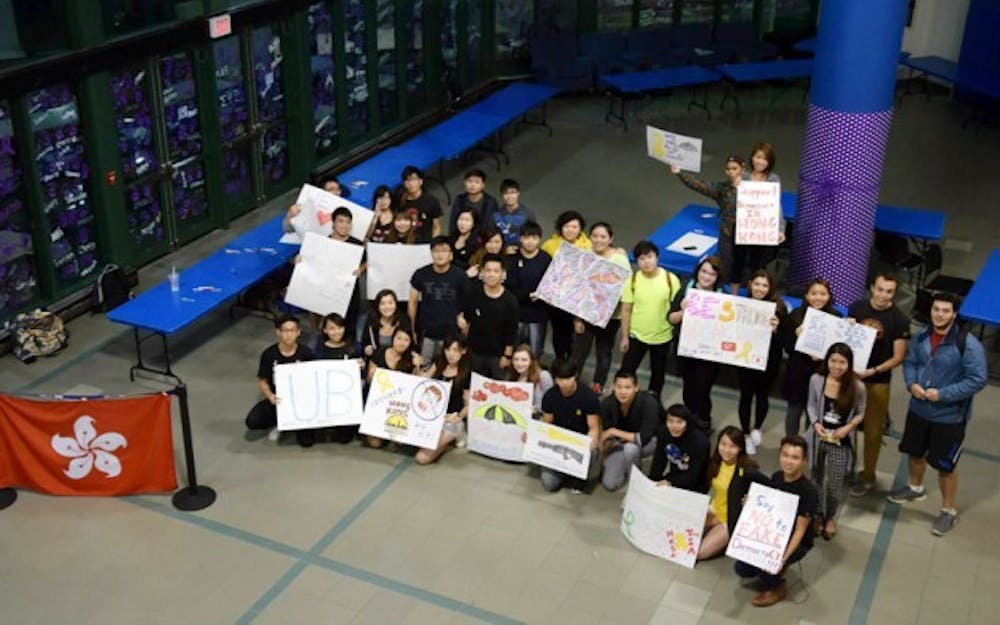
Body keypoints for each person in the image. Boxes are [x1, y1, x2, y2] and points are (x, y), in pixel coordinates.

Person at [888, 292, 987, 536]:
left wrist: (943, 394)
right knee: (914, 452)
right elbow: (910, 362)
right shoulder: (922, 335)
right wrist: (912, 384)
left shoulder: (968, 344)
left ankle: (948, 511)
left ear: (954, 314)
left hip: (949, 418)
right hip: (919, 410)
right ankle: (915, 487)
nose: (939, 314)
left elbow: (977, 379)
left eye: (945, 311)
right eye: (935, 309)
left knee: (946, 467)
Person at [734, 435, 818, 607]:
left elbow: (800, 531)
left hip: (797, 541)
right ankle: (771, 571)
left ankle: (778, 586)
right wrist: (751, 504)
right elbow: (770, 507)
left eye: (795, 457)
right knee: (741, 568)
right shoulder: (777, 477)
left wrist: (782, 558)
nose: (788, 461)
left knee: (767, 567)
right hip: (774, 533)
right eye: (785, 455)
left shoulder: (808, 491)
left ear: (804, 461)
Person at [847, 274, 911, 497]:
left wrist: (873, 371)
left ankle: (868, 476)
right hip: (851, 378)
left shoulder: (899, 319)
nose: (884, 296)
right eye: (880, 289)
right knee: (847, 426)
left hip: (878, 383)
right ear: (872, 288)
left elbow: (898, 356)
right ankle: (846, 468)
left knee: (873, 432)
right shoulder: (856, 308)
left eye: (889, 291)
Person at [807, 343, 866, 540]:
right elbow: (811, 405)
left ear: (849, 364)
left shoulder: (858, 387)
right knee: (816, 477)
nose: (837, 366)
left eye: (842, 362)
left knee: (834, 481)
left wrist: (848, 428)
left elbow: (860, 414)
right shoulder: (817, 380)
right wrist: (815, 423)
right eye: (833, 361)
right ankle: (816, 513)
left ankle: (830, 516)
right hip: (819, 437)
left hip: (841, 442)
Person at [571, 222, 631, 394]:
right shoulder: (585, 256)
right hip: (586, 313)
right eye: (595, 236)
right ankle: (572, 381)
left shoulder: (620, 259)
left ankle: (598, 384)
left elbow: (625, 288)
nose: (598, 240)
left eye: (603, 237)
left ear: (610, 238)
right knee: (579, 351)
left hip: (610, 317)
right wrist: (578, 317)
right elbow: (577, 288)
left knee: (603, 352)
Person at [619, 240, 682, 399]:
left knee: (658, 374)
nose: (646, 262)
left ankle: (653, 404)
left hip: (662, 336)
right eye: (641, 258)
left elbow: (677, 308)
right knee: (626, 371)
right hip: (636, 335)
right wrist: (625, 336)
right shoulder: (632, 281)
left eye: (649, 257)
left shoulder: (670, 279)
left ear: (657, 258)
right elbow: (626, 310)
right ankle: (624, 399)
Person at [668, 256, 726, 430]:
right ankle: (690, 420)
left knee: (702, 389)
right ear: (698, 271)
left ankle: (704, 421)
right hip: (686, 349)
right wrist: (683, 311)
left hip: (709, 353)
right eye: (704, 271)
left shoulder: (723, 295)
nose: (707, 277)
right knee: (688, 387)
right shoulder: (686, 289)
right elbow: (671, 318)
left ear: (718, 277)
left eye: (712, 274)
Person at [735, 270, 786, 455]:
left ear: (770, 287)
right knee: (746, 396)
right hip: (745, 358)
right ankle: (746, 434)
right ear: (750, 284)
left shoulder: (779, 307)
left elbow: (785, 340)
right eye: (757, 284)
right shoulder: (741, 305)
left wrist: (776, 330)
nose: (760, 289)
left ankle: (757, 427)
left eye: (764, 285)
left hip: (769, 360)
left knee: (763, 395)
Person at [245, 315, 314, 446]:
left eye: (292, 330)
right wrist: (270, 396)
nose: (289, 335)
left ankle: (295, 424)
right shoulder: (269, 354)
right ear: (278, 332)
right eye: (285, 331)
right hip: (278, 399)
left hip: (301, 400)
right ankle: (278, 423)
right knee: (253, 421)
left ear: (298, 332)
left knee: (307, 442)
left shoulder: (307, 353)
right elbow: (262, 380)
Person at [783, 278, 840, 436]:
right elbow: (787, 348)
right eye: (814, 293)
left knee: (814, 415)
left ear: (829, 296)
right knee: (794, 412)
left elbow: (839, 350)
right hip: (797, 373)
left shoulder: (836, 318)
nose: (818, 297)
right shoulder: (795, 316)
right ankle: (791, 444)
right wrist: (796, 336)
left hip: (822, 373)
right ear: (807, 296)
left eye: (823, 293)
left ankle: (808, 447)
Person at [698, 426, 765, 560]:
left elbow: (769, 488)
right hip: (714, 509)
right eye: (723, 444)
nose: (726, 450)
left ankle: (729, 539)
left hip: (731, 519)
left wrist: (753, 500)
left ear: (740, 448)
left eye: (732, 446)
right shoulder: (715, 463)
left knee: (699, 553)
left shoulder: (747, 470)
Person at [538, 358, 602, 494]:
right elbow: (547, 423)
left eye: (568, 378)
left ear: (576, 376)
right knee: (549, 484)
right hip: (558, 442)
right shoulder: (550, 396)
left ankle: (576, 475)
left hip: (579, 442)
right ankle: (562, 471)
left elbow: (594, 427)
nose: (563, 383)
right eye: (559, 379)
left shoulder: (589, 397)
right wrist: (535, 434)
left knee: (578, 483)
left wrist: (591, 441)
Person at [458, 253, 519, 379]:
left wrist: (507, 356)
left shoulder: (510, 300)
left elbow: (512, 331)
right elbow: (466, 318)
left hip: (498, 356)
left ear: (502, 273)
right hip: (474, 352)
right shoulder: (474, 292)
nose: (491, 274)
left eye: (496, 271)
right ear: (482, 272)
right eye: (488, 270)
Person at [599, 370, 661, 491]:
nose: (623, 392)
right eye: (619, 387)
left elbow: (644, 438)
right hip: (620, 443)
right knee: (609, 484)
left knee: (631, 449)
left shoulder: (649, 402)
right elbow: (606, 435)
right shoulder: (607, 403)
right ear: (613, 387)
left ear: (636, 388)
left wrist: (613, 432)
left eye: (628, 387)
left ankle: (636, 479)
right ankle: (625, 468)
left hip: (650, 442)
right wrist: (604, 458)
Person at [542, 211, 592, 359]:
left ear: (580, 228)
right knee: (558, 333)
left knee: (575, 336)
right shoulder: (550, 245)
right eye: (567, 226)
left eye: (574, 226)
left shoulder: (588, 246)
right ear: (560, 227)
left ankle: (571, 367)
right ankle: (559, 360)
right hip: (555, 300)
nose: (570, 230)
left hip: (577, 300)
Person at [408, 236, 467, 362]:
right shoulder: (421, 274)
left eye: (444, 251)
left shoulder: (460, 275)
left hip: (451, 333)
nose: (440, 254)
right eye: (436, 250)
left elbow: (469, 301)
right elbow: (412, 302)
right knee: (424, 365)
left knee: (445, 366)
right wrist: (412, 328)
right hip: (427, 331)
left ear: (451, 254)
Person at [416, 334, 471, 464]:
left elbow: (468, 405)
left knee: (422, 457)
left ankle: (458, 433)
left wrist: (458, 417)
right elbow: (423, 381)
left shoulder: (466, 373)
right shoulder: (439, 364)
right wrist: (417, 367)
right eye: (448, 349)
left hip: (451, 419)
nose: (450, 354)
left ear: (463, 351)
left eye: (455, 350)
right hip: (432, 416)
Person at [365, 326, 423, 448]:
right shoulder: (379, 353)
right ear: (393, 339)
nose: (402, 342)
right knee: (374, 443)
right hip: (379, 402)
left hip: (398, 406)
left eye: (406, 340)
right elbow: (369, 381)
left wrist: (417, 367)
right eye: (399, 338)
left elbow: (415, 387)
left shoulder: (410, 360)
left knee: (400, 442)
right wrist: (371, 374)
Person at [505, 221, 552, 358]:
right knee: (514, 352)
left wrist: (543, 294)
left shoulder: (546, 259)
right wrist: (527, 295)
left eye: (534, 238)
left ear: (539, 239)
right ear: (520, 239)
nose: (530, 242)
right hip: (516, 313)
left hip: (538, 314)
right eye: (527, 238)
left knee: (535, 353)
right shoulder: (512, 259)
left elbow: (552, 283)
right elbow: (509, 286)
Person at [317, 313, 363, 444]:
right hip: (327, 394)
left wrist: (362, 366)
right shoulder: (319, 348)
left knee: (344, 438)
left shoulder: (354, 347)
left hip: (347, 395)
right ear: (325, 330)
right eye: (331, 328)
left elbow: (361, 373)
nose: (336, 332)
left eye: (339, 327)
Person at [648, 404, 710, 492]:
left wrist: (671, 483)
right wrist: (652, 482)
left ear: (687, 423)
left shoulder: (700, 442)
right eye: (670, 421)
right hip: (675, 476)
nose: (674, 426)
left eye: (679, 422)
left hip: (696, 483)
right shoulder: (664, 433)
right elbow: (658, 461)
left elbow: (694, 473)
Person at [396, 165, 441, 242]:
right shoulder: (401, 199)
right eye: (407, 180)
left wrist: (432, 243)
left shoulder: (431, 201)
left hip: (424, 243)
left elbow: (437, 227)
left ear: (420, 181)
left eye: (413, 179)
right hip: (406, 242)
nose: (411, 183)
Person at [507, 344, 553, 417]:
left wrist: (533, 409)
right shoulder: (513, 376)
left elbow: (551, 402)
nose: (519, 363)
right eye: (516, 359)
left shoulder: (543, 376)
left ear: (531, 361)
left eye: (524, 360)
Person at [490, 178, 536, 254]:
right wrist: (504, 249)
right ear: (502, 195)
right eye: (506, 193)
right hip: (501, 252)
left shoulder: (528, 213)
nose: (509, 196)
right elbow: (492, 237)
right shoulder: (496, 215)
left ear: (518, 193)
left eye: (513, 192)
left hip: (523, 252)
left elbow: (534, 235)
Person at [362, 289, 412, 358]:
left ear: (396, 304)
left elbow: (410, 345)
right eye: (383, 304)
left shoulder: (403, 321)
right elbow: (364, 343)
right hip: (377, 360)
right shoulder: (371, 321)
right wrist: (366, 349)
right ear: (378, 306)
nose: (387, 307)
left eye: (390, 303)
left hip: (399, 360)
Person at [449, 168, 498, 235]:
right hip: (462, 236)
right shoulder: (460, 199)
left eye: (477, 182)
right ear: (465, 183)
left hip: (482, 238)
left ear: (483, 185)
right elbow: (453, 223)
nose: (472, 185)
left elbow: (491, 226)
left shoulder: (490, 202)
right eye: (469, 181)